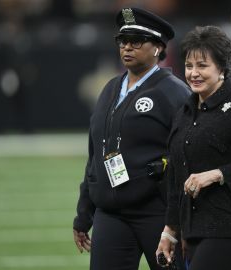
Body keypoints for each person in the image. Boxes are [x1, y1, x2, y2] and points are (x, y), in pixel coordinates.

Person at [72, 7, 190, 270]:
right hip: (110, 214)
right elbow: (96, 154)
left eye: (136, 41)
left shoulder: (175, 93)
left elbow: (190, 153)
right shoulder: (111, 88)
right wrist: (84, 213)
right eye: (122, 41)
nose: (127, 47)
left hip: (157, 213)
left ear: (158, 47)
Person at [155, 25, 231, 270]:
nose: (193, 73)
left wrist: (217, 174)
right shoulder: (185, 112)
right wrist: (170, 231)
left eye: (202, 66)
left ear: (222, 68)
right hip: (194, 228)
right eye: (189, 66)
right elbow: (177, 176)